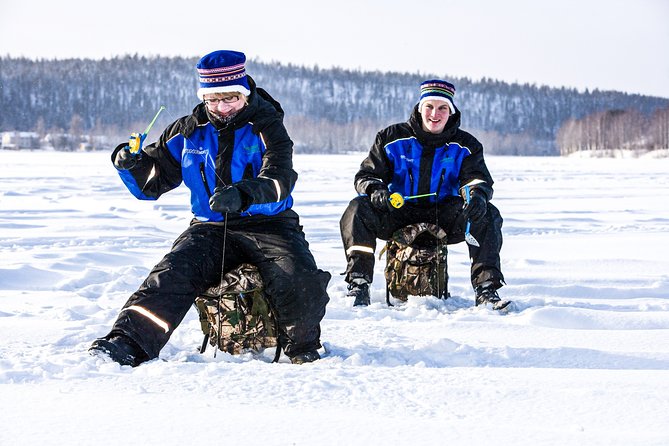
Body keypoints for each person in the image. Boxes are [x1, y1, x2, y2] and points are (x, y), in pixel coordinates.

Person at [89, 50, 330, 366]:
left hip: (270, 224)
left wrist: (244, 194)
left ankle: (303, 348)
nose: (221, 107)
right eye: (213, 100)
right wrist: (131, 164)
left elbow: (280, 178)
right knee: (171, 273)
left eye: (229, 99)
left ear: (244, 93)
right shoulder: (186, 131)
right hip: (210, 227)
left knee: (297, 277)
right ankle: (127, 342)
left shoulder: (268, 126)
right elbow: (153, 182)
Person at [339, 79, 507, 309]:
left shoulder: (467, 145)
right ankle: (358, 284)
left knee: (487, 213)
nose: (434, 114)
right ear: (420, 108)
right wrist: (376, 191)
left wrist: (476, 195)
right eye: (429, 106)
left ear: (451, 111)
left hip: (445, 215)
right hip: (398, 212)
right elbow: (367, 176)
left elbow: (476, 179)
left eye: (442, 108)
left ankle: (486, 289)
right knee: (357, 208)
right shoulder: (390, 137)